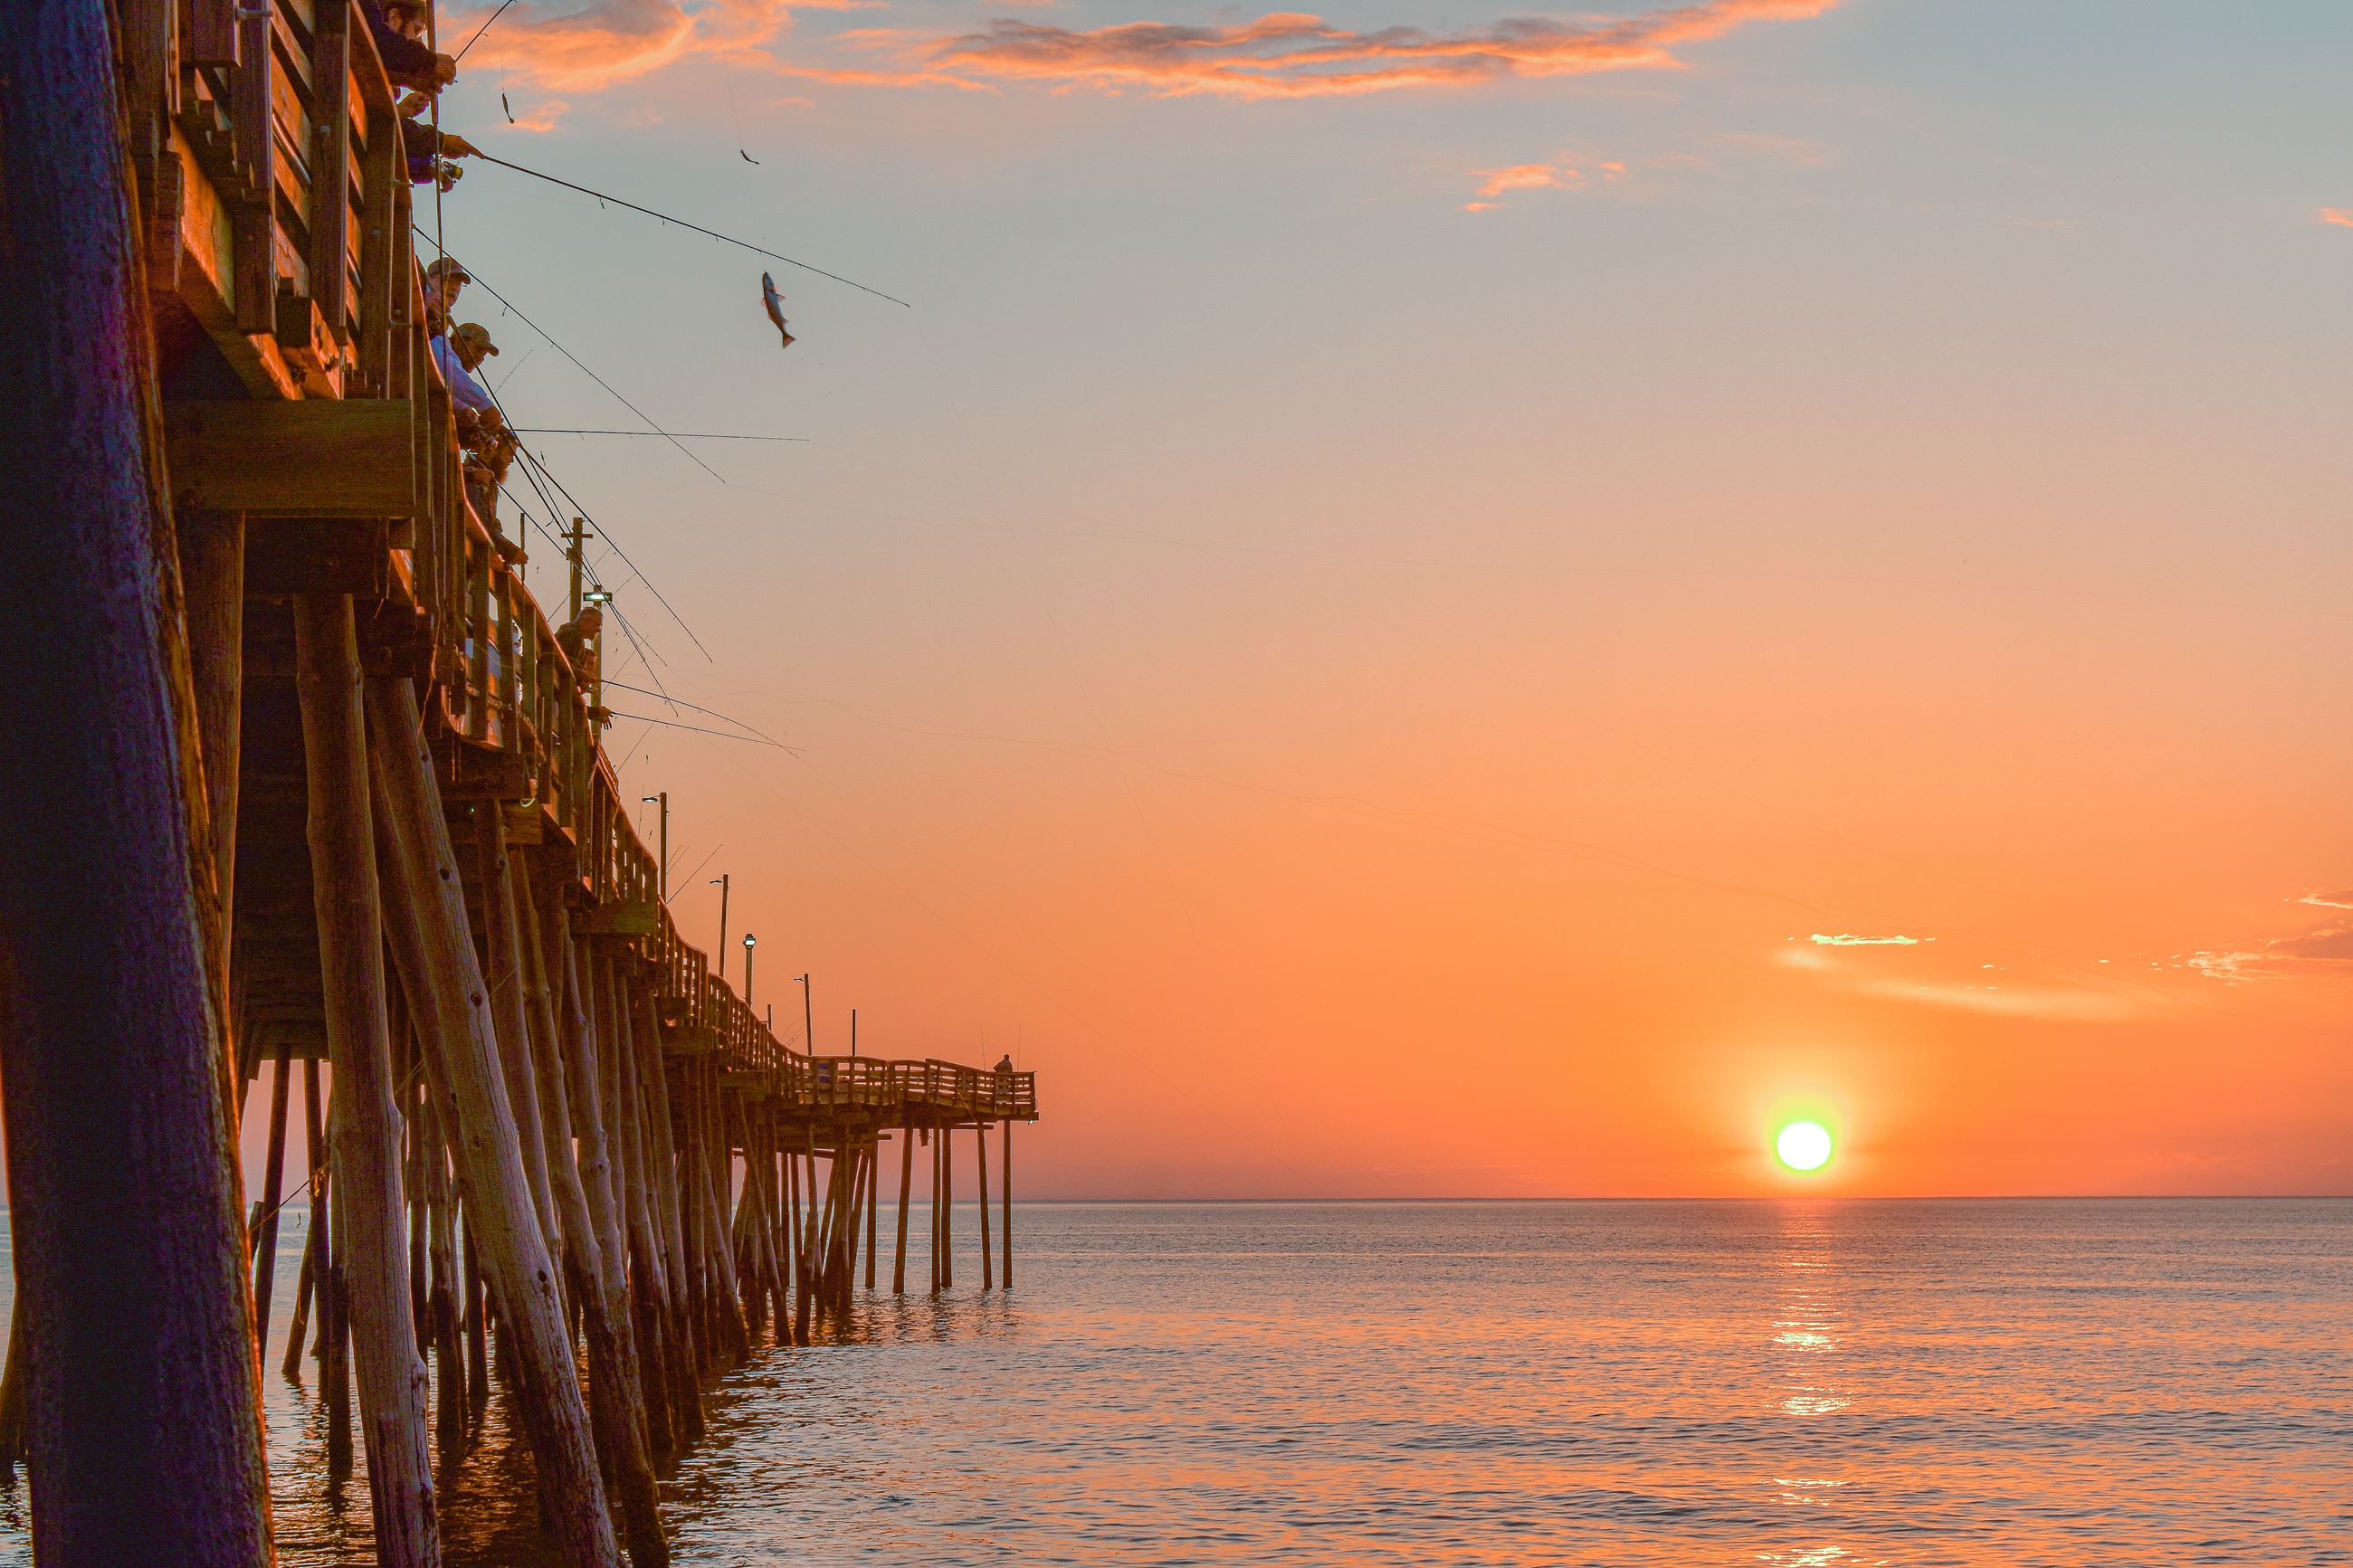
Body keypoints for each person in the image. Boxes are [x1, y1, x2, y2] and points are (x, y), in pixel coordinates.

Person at [363, 0, 455, 94]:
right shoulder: (365, 11)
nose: (418, 42)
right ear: (394, 17)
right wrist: (430, 61)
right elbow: (377, 41)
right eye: (415, 30)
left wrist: (407, 80)